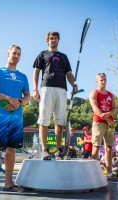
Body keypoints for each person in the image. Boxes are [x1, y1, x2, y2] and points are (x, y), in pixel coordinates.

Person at [0, 45, 30, 197]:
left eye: (19, 54)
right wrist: (8, 98)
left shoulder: (23, 76)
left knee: (11, 149)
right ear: (8, 53)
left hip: (16, 117)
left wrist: (20, 102)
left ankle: (8, 183)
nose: (16, 56)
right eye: (14, 53)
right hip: (0, 115)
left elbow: (28, 96)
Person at [33, 31, 78, 160]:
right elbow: (36, 72)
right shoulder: (42, 54)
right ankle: (44, 150)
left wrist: (74, 84)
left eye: (55, 38)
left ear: (58, 40)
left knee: (60, 121)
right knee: (44, 119)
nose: (53, 40)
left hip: (62, 90)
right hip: (46, 88)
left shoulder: (64, 56)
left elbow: (69, 74)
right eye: (51, 38)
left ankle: (59, 150)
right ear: (48, 40)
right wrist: (35, 89)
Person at [89, 73, 117, 180]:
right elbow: (95, 108)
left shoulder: (111, 95)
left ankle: (109, 173)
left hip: (110, 123)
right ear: (97, 81)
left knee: (109, 148)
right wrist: (106, 117)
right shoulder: (94, 93)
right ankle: (94, 173)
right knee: (96, 147)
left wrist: (109, 115)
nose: (103, 82)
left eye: (105, 79)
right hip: (98, 122)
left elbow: (114, 108)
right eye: (101, 80)